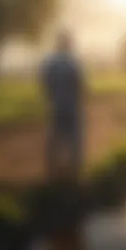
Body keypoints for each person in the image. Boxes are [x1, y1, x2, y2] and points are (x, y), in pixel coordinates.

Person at [40, 31, 86, 181]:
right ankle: (74, 169)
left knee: (54, 135)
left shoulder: (50, 62)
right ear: (68, 44)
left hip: (56, 104)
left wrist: (50, 98)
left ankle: (52, 168)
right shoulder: (73, 62)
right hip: (71, 104)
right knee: (74, 137)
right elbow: (80, 84)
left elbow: (45, 83)